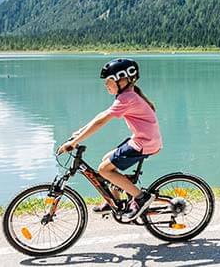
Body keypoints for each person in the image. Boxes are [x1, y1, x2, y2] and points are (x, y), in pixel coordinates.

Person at [57, 58, 162, 216]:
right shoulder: (127, 95)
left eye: (109, 81)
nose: (106, 84)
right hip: (143, 140)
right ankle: (113, 200)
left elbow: (101, 122)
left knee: (104, 170)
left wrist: (75, 142)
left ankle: (141, 198)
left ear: (123, 80)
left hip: (144, 143)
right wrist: (78, 133)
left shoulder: (127, 98)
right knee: (107, 160)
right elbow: (101, 115)